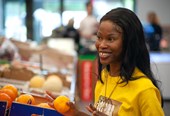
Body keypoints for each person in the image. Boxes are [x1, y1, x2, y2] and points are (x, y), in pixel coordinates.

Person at [46, 7, 164, 116]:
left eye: (110, 39)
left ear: (129, 42)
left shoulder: (145, 90)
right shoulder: (104, 76)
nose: (101, 45)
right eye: (99, 37)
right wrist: (75, 113)